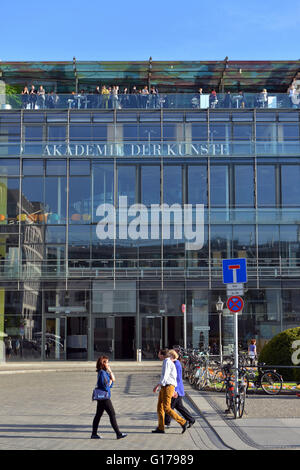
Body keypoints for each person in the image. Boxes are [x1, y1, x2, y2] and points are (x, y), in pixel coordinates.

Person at [91, 355, 127, 440]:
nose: (108, 364)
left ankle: (94, 434)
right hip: (104, 397)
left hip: (102, 397)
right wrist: (110, 375)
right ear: (103, 364)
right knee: (112, 414)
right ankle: (118, 433)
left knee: (98, 415)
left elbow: (112, 380)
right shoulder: (103, 373)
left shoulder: (103, 372)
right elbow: (107, 385)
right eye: (107, 362)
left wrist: (110, 374)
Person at [152, 349, 187, 434]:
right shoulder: (167, 362)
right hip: (166, 386)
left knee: (167, 408)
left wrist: (158, 385)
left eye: (159, 354)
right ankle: (161, 427)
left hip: (167, 386)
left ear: (162, 355)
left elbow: (166, 375)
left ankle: (183, 422)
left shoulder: (167, 362)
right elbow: (170, 376)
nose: (158, 355)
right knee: (160, 407)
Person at [164, 350, 195, 429]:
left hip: (176, 389)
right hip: (176, 389)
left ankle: (166, 423)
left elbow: (177, 378)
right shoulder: (173, 363)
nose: (167, 357)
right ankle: (191, 419)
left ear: (172, 356)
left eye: (169, 356)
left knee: (169, 407)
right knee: (179, 407)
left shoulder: (176, 364)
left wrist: (175, 390)